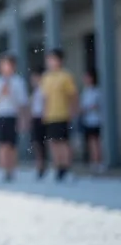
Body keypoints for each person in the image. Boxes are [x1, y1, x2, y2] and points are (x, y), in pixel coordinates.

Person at [0, 52, 29, 182]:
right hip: (1, 116)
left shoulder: (18, 82)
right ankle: (3, 170)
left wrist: (23, 120)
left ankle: (12, 169)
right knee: (2, 145)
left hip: (13, 115)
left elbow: (22, 104)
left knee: (12, 145)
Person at [41, 47, 78, 181]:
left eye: (53, 59)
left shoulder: (66, 76)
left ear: (60, 60)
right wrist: (44, 113)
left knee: (64, 142)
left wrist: (73, 111)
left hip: (63, 114)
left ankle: (66, 168)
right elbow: (45, 98)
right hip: (50, 115)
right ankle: (57, 168)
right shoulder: (46, 77)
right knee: (53, 143)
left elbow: (72, 95)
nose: (50, 62)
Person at [79, 68, 104, 174]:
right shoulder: (85, 91)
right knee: (90, 142)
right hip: (87, 120)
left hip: (95, 120)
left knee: (96, 142)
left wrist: (87, 108)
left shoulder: (96, 91)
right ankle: (93, 161)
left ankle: (98, 162)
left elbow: (96, 105)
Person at [29, 67, 48, 178]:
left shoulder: (44, 90)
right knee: (37, 143)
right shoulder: (35, 91)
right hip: (35, 118)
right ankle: (39, 165)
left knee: (42, 143)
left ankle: (43, 165)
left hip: (43, 118)